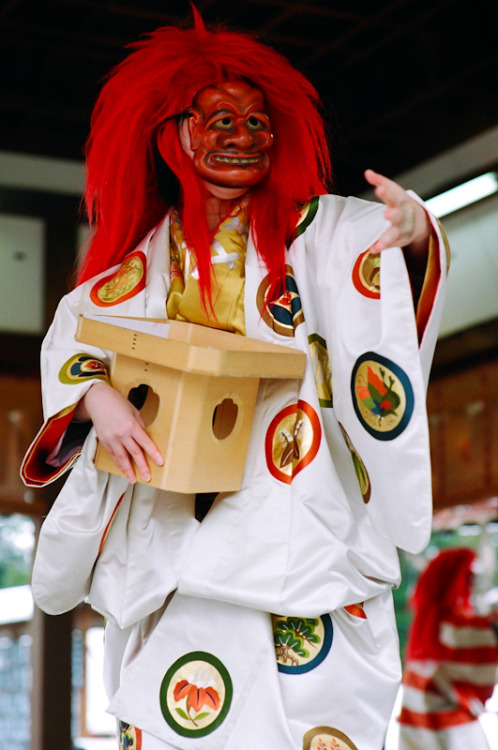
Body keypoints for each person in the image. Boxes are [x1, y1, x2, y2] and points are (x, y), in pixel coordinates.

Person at [22, 9, 449, 750]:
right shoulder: (146, 262)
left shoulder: (316, 232)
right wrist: (99, 402)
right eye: (220, 120)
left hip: (298, 495)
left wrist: (411, 233)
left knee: (313, 702)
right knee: (178, 710)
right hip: (180, 517)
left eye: (257, 122)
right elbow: (77, 333)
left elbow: (369, 259)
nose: (241, 137)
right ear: (176, 136)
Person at [397, 548, 498, 749]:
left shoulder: (428, 627)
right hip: (448, 727)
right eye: (469, 577)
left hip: (420, 723)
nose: (472, 583)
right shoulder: (450, 628)